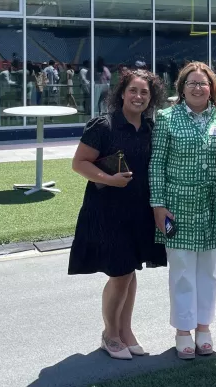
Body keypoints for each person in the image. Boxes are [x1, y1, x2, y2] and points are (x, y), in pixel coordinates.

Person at [68, 68, 167, 359]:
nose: (138, 96)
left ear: (152, 98)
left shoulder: (150, 128)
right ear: (122, 93)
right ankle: (110, 333)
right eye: (133, 90)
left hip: (139, 211)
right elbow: (79, 163)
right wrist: (109, 179)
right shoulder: (104, 125)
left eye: (145, 92)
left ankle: (126, 330)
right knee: (121, 273)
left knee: (129, 270)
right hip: (107, 210)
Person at [149, 62, 216, 360]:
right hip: (178, 206)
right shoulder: (167, 118)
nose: (198, 88)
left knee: (210, 271)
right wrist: (158, 205)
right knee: (182, 270)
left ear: (212, 88)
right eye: (192, 83)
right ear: (181, 88)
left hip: (214, 205)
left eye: (204, 83)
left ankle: (204, 327)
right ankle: (183, 330)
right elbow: (156, 164)